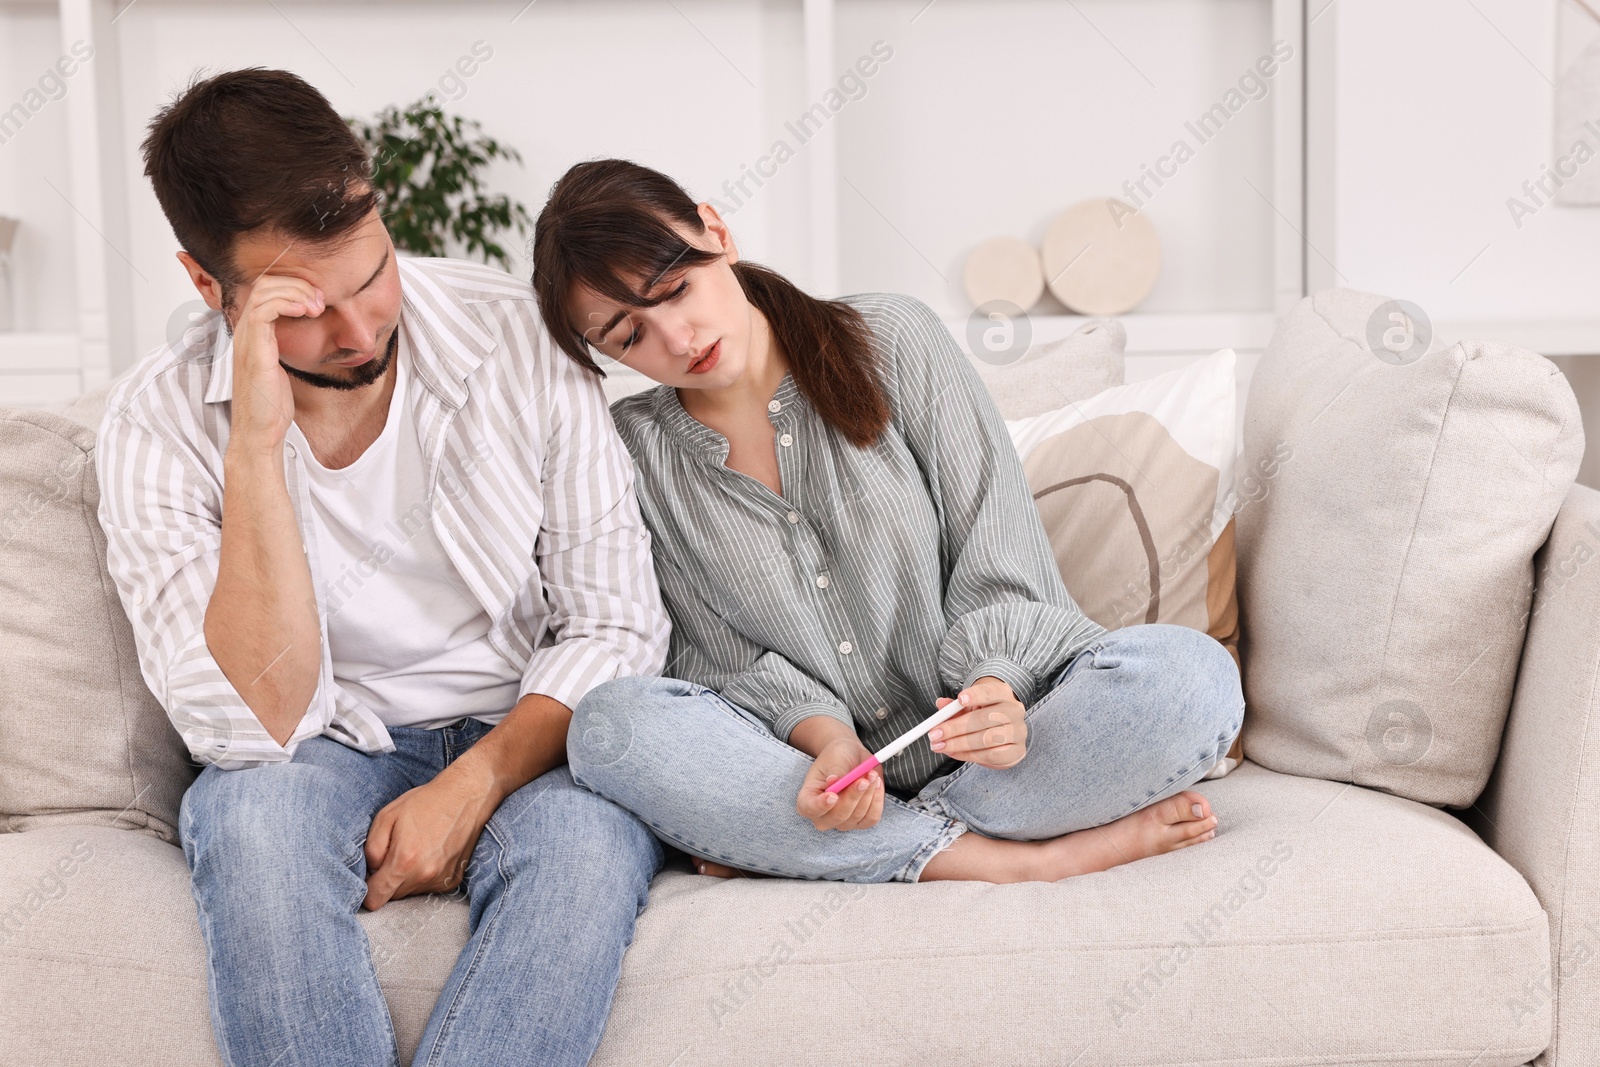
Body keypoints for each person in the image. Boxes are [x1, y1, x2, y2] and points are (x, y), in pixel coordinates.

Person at [98, 73, 671, 1067]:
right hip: (319, 744)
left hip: (524, 725)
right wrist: (256, 449)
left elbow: (614, 625)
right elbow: (251, 722)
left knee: (587, 848)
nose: (359, 332)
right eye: (305, 309)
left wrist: (472, 782)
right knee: (247, 823)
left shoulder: (519, 342)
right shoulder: (155, 424)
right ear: (209, 289)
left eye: (371, 276)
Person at [535, 159, 1245, 886]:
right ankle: (1008, 859)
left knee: (1194, 679)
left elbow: (996, 547)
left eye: (676, 289)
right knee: (607, 728)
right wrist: (830, 740)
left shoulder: (893, 339)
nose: (676, 338)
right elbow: (718, 661)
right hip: (809, 772)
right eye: (629, 337)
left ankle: (855, 846)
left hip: (1005, 754)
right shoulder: (632, 450)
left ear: (716, 231)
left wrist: (998, 689)